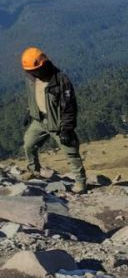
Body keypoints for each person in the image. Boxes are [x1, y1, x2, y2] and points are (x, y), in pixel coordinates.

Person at [20, 47, 87, 193]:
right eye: (29, 71)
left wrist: (67, 129)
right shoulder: (31, 77)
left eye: (34, 70)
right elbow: (34, 96)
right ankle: (34, 171)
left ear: (43, 65)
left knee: (71, 151)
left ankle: (80, 183)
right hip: (39, 120)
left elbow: (69, 106)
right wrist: (29, 112)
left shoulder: (60, 80)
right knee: (29, 145)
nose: (32, 73)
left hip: (57, 123)